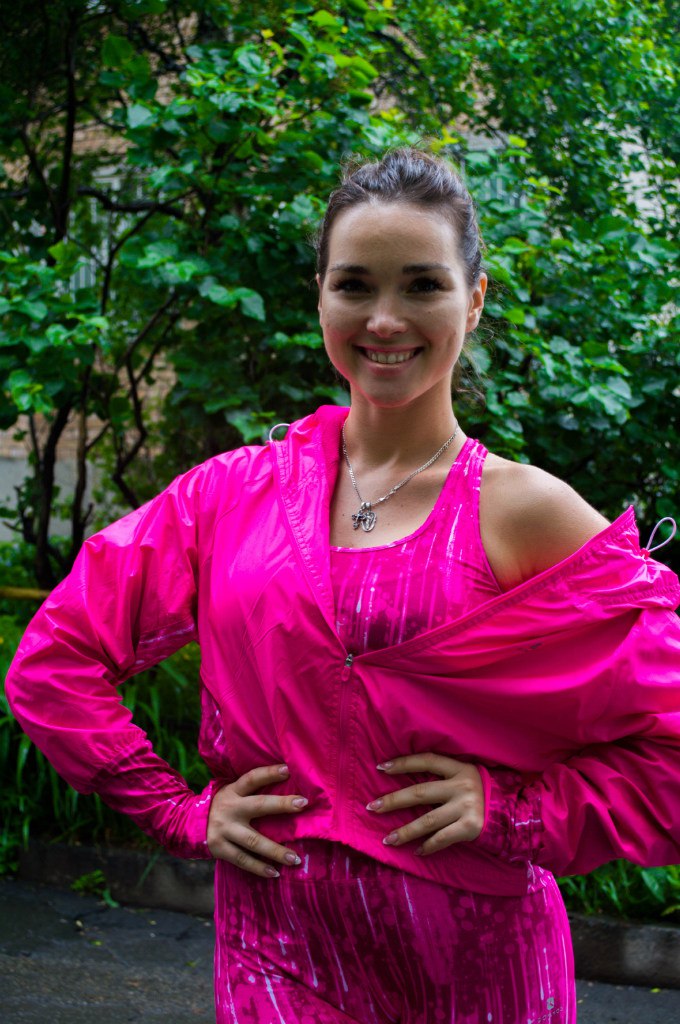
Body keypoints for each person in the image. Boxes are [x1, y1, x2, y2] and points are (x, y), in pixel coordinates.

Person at [6, 147, 680, 1024]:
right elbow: (55, 664)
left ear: (475, 299)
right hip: (278, 957)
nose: (385, 318)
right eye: (355, 285)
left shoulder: (524, 511)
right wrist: (174, 811)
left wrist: (519, 810)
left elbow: (667, 744)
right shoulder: (229, 497)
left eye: (424, 285)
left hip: (480, 970)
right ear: (320, 297)